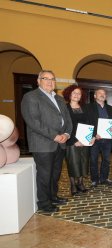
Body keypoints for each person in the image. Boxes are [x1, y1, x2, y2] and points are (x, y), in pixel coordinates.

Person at [21, 70, 72, 213]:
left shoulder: (60, 99)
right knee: (45, 175)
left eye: (52, 79)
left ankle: (53, 196)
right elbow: (33, 122)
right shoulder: (31, 97)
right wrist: (55, 136)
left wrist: (67, 134)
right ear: (38, 81)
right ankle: (44, 203)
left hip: (61, 142)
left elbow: (67, 120)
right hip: (43, 143)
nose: (50, 82)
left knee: (55, 173)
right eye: (45, 78)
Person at [63, 85, 94, 195]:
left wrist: (92, 137)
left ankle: (80, 183)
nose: (76, 95)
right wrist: (75, 141)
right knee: (73, 164)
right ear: (69, 94)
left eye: (79, 93)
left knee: (83, 162)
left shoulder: (85, 107)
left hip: (85, 140)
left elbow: (90, 123)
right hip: (71, 141)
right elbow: (64, 126)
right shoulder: (64, 108)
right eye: (74, 93)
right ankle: (73, 185)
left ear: (81, 96)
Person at [86, 88, 112, 187]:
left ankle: (104, 178)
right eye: (100, 93)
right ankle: (94, 180)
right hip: (95, 139)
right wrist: (94, 134)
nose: (102, 95)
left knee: (106, 160)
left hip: (107, 139)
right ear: (95, 96)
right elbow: (87, 122)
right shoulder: (89, 107)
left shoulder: (110, 108)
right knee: (93, 159)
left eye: (104, 94)